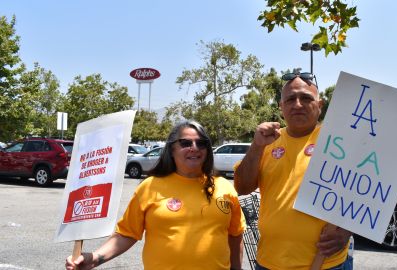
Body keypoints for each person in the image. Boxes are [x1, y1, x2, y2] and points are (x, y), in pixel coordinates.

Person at [66, 120, 246, 270]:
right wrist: (96, 258)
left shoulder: (224, 187)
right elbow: (127, 234)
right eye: (185, 143)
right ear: (171, 149)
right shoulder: (150, 187)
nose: (194, 148)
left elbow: (236, 234)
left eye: (201, 143)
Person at [234, 72, 352, 270]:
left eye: (306, 98)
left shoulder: (338, 140)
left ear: (320, 105)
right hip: (269, 262)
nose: (297, 104)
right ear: (281, 107)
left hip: (326, 263)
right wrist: (256, 146)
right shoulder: (266, 141)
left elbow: (366, 191)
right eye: (290, 99)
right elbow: (242, 187)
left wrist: (347, 231)